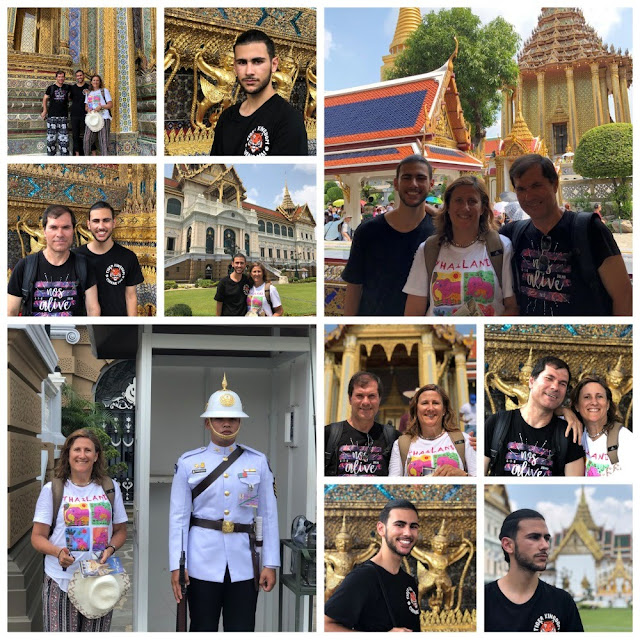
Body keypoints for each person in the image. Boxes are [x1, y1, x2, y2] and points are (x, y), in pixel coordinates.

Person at [169, 376, 279, 631]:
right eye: (220, 418)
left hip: (244, 561)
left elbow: (268, 515)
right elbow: (178, 519)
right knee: (202, 627)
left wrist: (270, 563)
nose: (226, 424)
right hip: (201, 560)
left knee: (241, 628)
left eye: (232, 419)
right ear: (208, 422)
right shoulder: (188, 463)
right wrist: (177, 564)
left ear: (239, 422)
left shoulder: (257, 461)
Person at [500, 153, 631, 316]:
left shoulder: (590, 229)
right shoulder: (511, 234)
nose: (528, 196)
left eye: (536, 186)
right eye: (521, 189)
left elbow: (624, 295)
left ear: (554, 184)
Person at [31, 429, 128, 631]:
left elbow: (120, 531)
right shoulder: (53, 490)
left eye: (88, 450)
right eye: (77, 449)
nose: (82, 455)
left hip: (98, 581)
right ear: (68, 454)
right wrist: (57, 552)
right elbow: (37, 537)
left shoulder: (110, 488)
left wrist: (110, 548)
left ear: (96, 456)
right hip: (61, 580)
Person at [404, 176, 518, 316]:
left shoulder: (501, 247)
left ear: (482, 208)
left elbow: (511, 306)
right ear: (448, 207)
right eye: (458, 201)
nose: (465, 208)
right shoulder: (429, 249)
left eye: (472, 201)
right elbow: (414, 310)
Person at [342, 155, 436, 316]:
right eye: (406, 177)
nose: (413, 184)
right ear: (396, 184)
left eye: (421, 178)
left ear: (431, 185)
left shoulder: (439, 232)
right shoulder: (368, 231)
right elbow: (354, 287)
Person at [325, 499, 421, 632]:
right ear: (381, 529)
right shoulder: (363, 578)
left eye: (413, 526)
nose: (408, 533)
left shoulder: (408, 581)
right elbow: (325, 625)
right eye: (400, 525)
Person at [210, 29, 307, 156]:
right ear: (234, 67)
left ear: (274, 65)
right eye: (242, 62)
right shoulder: (226, 118)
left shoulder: (289, 120)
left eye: (257, 62)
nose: (249, 71)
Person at [484, 356, 585, 477]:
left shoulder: (568, 433)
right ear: (531, 381)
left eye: (562, 383)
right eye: (549, 378)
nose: (555, 387)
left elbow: (573, 487)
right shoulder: (497, 423)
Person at [485, 509, 583, 632]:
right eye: (534, 537)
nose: (545, 546)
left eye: (546, 538)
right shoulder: (484, 600)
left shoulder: (562, 601)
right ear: (508, 545)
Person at [8, 205, 100, 316]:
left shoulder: (84, 265)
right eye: (53, 227)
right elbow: (11, 311)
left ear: (73, 230)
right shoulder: (25, 266)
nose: (60, 234)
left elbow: (93, 309)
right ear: (44, 231)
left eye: (66, 227)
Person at [73, 201, 144, 316]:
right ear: (89, 224)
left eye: (106, 220)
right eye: (96, 221)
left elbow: (130, 297)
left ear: (113, 223)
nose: (101, 226)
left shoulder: (127, 256)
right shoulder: (75, 257)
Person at [389, 384, 476, 477]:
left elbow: (479, 482)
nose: (430, 408)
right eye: (424, 403)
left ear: (444, 410)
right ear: (416, 410)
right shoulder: (401, 444)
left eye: (435, 403)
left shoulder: (464, 440)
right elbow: (393, 485)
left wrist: (463, 475)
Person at [325, 371, 399, 476]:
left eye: (371, 396)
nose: (365, 402)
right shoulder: (328, 435)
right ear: (350, 399)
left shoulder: (393, 438)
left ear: (379, 399)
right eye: (360, 396)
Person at [570, 375, 632, 477]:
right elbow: (544, 411)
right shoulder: (575, 432)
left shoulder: (625, 438)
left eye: (599, 396)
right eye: (587, 397)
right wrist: (564, 411)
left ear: (607, 404)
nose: (594, 402)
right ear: (577, 405)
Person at [41, 70, 71, 156]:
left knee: (64, 139)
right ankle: (51, 156)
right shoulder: (51, 88)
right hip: (52, 116)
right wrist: (45, 110)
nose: (61, 78)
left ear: (64, 78)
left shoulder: (67, 87)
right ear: (56, 78)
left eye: (62, 77)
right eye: (59, 77)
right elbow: (45, 99)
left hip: (63, 117)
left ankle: (64, 156)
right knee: (51, 139)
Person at [84, 75, 113, 156]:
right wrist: (88, 109)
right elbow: (86, 106)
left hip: (103, 117)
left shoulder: (104, 91)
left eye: (97, 80)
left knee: (103, 140)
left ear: (100, 82)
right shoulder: (89, 93)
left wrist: (101, 106)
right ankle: (86, 158)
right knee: (87, 139)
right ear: (91, 82)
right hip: (92, 118)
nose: (95, 82)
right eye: (94, 80)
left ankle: (105, 160)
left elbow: (110, 105)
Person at [69, 70, 91, 155]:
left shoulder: (88, 87)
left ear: (84, 75)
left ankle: (87, 153)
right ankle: (77, 154)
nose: (79, 77)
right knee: (75, 134)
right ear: (76, 77)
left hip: (86, 114)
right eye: (77, 76)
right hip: (74, 114)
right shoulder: (73, 88)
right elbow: (70, 98)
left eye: (81, 75)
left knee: (88, 134)